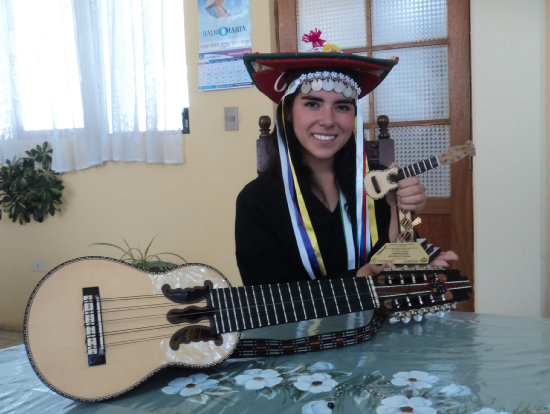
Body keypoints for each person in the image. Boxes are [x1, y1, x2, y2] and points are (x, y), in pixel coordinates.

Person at [236, 30, 454, 287]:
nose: (328, 121)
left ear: (354, 117)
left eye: (342, 107)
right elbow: (269, 300)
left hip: (381, 322)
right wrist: (365, 273)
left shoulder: (378, 180)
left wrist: (406, 213)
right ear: (288, 113)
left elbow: (400, 268)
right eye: (312, 104)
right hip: (300, 327)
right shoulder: (257, 200)